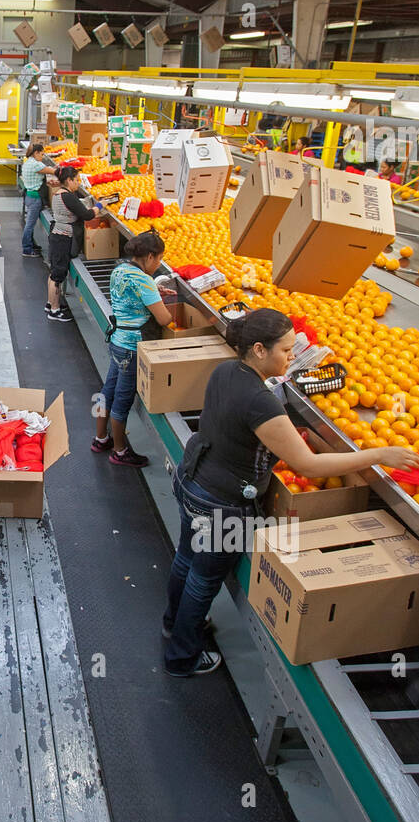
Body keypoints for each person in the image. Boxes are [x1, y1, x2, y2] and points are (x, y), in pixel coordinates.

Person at [164, 308, 419, 677]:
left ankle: (173, 623)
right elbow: (309, 467)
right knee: (204, 579)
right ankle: (181, 657)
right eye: (286, 350)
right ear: (259, 350)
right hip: (222, 506)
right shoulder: (260, 402)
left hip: (194, 481)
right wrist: (381, 453)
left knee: (186, 560)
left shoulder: (226, 370)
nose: (293, 355)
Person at [92, 231, 174, 466]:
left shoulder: (120, 270)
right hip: (132, 346)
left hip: (117, 341)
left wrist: (154, 294)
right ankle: (119, 452)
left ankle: (100, 438)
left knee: (106, 391)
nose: (158, 265)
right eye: (158, 259)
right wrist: (160, 302)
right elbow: (164, 320)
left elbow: (130, 296)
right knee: (123, 400)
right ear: (149, 256)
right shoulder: (145, 280)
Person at [47, 165, 109, 322]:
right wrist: (100, 205)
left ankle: (50, 303)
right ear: (68, 180)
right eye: (76, 180)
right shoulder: (68, 196)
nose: (78, 183)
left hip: (57, 235)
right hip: (63, 238)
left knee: (54, 271)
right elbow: (87, 215)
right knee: (58, 274)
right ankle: (54, 311)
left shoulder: (59, 193)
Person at [20, 143, 58, 257]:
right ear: (36, 153)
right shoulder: (36, 164)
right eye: (42, 154)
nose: (43, 157)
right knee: (30, 225)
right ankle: (27, 249)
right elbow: (53, 172)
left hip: (29, 196)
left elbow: (40, 176)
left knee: (30, 223)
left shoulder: (28, 162)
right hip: (35, 198)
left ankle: (31, 244)